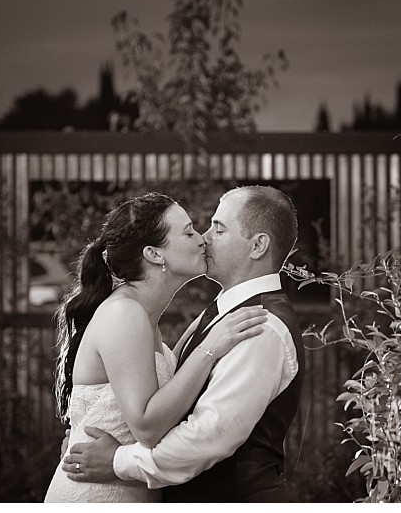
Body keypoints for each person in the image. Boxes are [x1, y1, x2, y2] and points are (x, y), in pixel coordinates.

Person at [63, 185, 304, 502]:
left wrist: (117, 460)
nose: (205, 237)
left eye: (218, 228)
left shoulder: (259, 325)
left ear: (258, 245)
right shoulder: (218, 315)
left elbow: (208, 436)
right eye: (193, 231)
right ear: (153, 253)